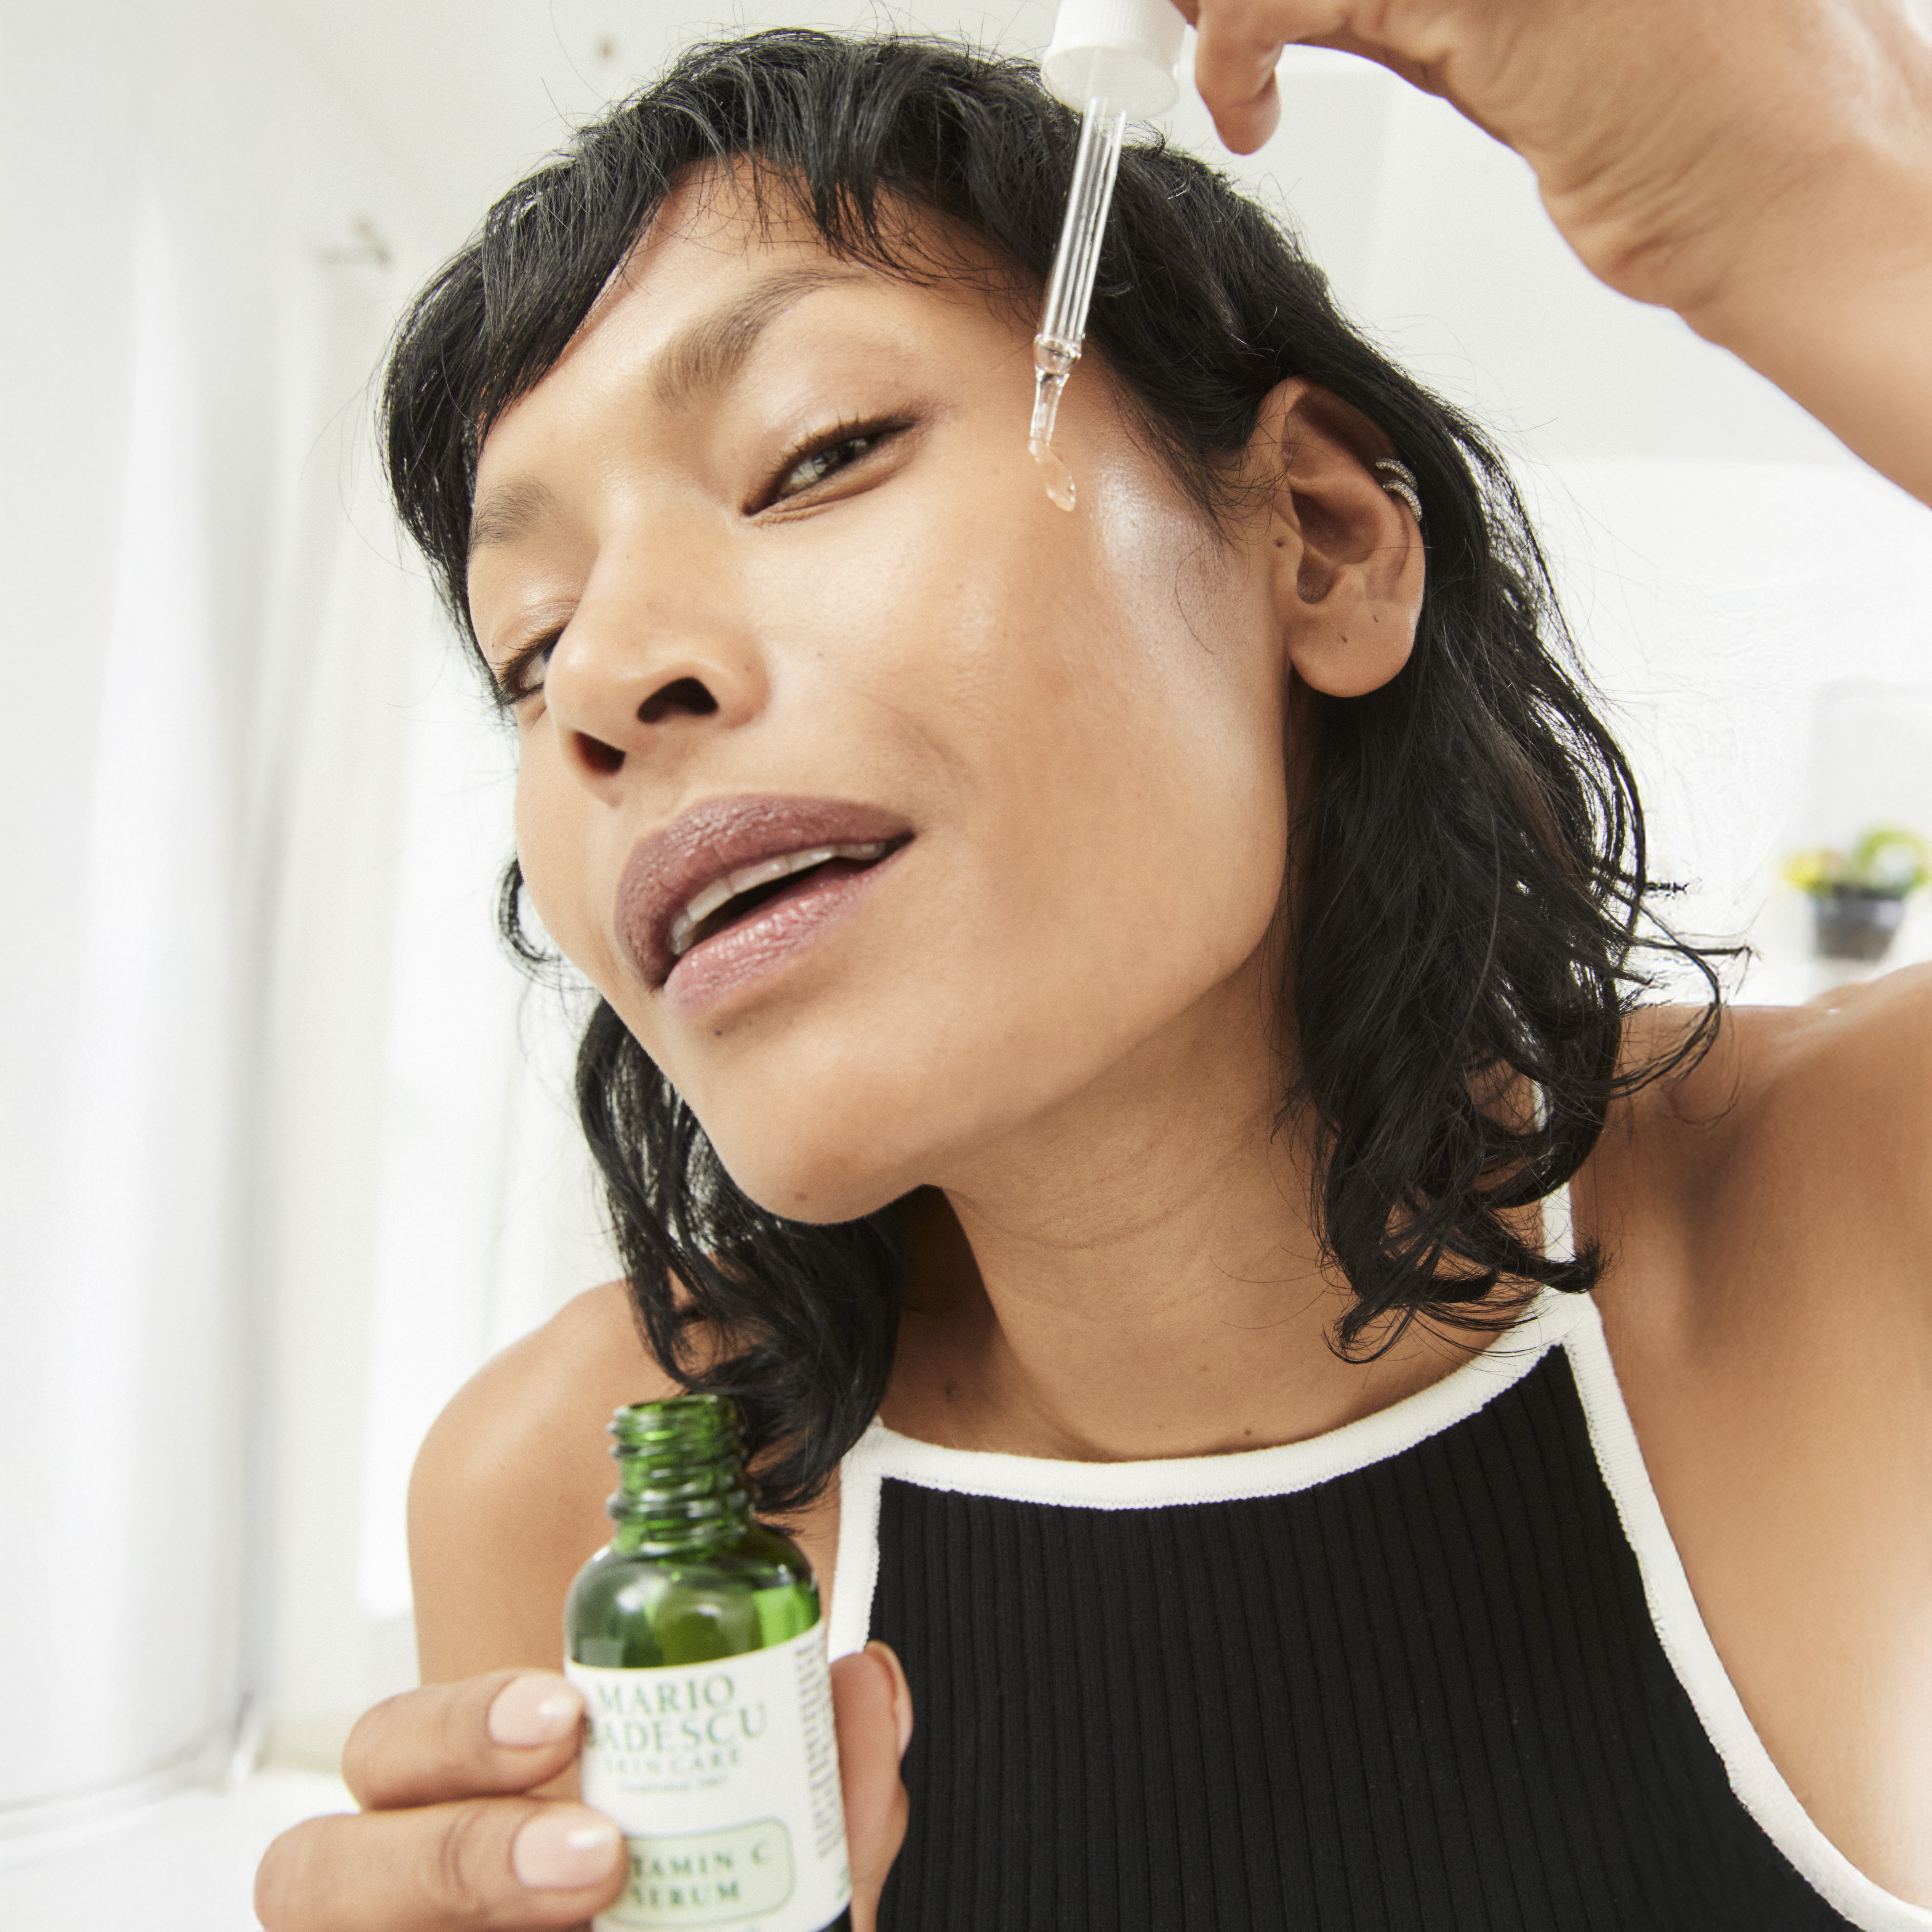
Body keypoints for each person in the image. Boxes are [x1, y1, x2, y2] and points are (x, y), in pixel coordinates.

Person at [255, 1, 1932, 1925]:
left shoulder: (1852, 1209)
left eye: (817, 453)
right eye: (529, 646)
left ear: (1318, 540)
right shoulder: (585, 1494)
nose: (607, 687)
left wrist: (1830, 196)